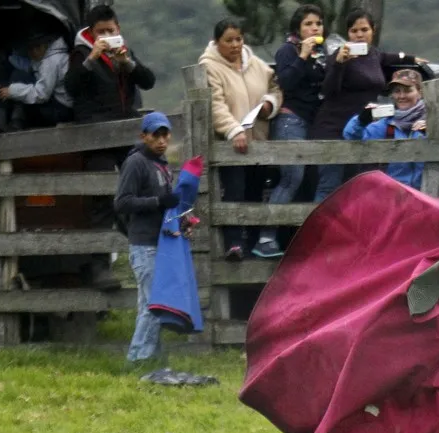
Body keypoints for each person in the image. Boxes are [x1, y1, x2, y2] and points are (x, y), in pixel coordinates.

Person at [65, 4, 156, 291]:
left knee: (137, 192)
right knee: (101, 198)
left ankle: (145, 258)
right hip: (96, 137)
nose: (107, 35)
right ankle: (99, 266)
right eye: (101, 32)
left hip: (126, 132)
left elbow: (149, 80)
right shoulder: (81, 54)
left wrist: (127, 63)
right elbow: (72, 86)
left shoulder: (124, 53)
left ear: (118, 29)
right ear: (91, 33)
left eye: (111, 30)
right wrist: (92, 57)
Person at [310, 9, 419, 201]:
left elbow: (389, 57)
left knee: (355, 187)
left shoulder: (374, 54)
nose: (359, 35)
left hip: (361, 130)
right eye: (353, 31)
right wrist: (339, 64)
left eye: (364, 29)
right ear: (348, 34)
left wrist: (411, 59)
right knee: (330, 186)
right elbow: (328, 90)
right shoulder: (339, 55)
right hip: (333, 128)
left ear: (373, 30)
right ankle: (322, 230)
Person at [200, 18, 282, 261]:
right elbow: (216, 105)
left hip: (258, 139)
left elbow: (275, 88)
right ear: (217, 42)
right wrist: (233, 130)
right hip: (230, 144)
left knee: (256, 192)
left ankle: (255, 243)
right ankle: (234, 243)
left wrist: (270, 104)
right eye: (229, 40)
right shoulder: (209, 66)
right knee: (234, 192)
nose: (235, 45)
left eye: (239, 39)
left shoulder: (256, 64)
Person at [255, 4, 329, 259]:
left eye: (318, 23)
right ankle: (266, 238)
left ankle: (296, 241)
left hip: (312, 123)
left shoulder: (323, 53)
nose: (314, 28)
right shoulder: (288, 50)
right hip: (290, 121)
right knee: (290, 178)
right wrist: (302, 56)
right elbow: (284, 82)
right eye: (308, 24)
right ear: (298, 28)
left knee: (308, 181)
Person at [114, 112, 180, 364]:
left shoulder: (162, 163)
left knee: (149, 306)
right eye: (156, 135)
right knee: (154, 307)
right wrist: (158, 202)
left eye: (165, 134)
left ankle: (150, 356)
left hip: (158, 241)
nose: (162, 140)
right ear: (144, 136)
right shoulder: (136, 163)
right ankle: (138, 358)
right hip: (144, 244)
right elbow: (122, 203)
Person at [343, 69, 427, 189]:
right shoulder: (384, 125)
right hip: (393, 195)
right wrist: (361, 120)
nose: (402, 96)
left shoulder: (434, 120)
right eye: (397, 91)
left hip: (429, 195)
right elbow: (351, 137)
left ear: (420, 92)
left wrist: (430, 132)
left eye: (408, 91)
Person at [0, 32, 73, 129]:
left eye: (37, 47)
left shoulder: (50, 61)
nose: (34, 52)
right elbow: (31, 67)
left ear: (46, 44)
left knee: (20, 85)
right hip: (60, 103)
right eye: (31, 49)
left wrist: (12, 91)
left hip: (62, 111)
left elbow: (41, 95)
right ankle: (15, 117)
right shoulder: (51, 54)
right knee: (18, 75)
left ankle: (16, 119)